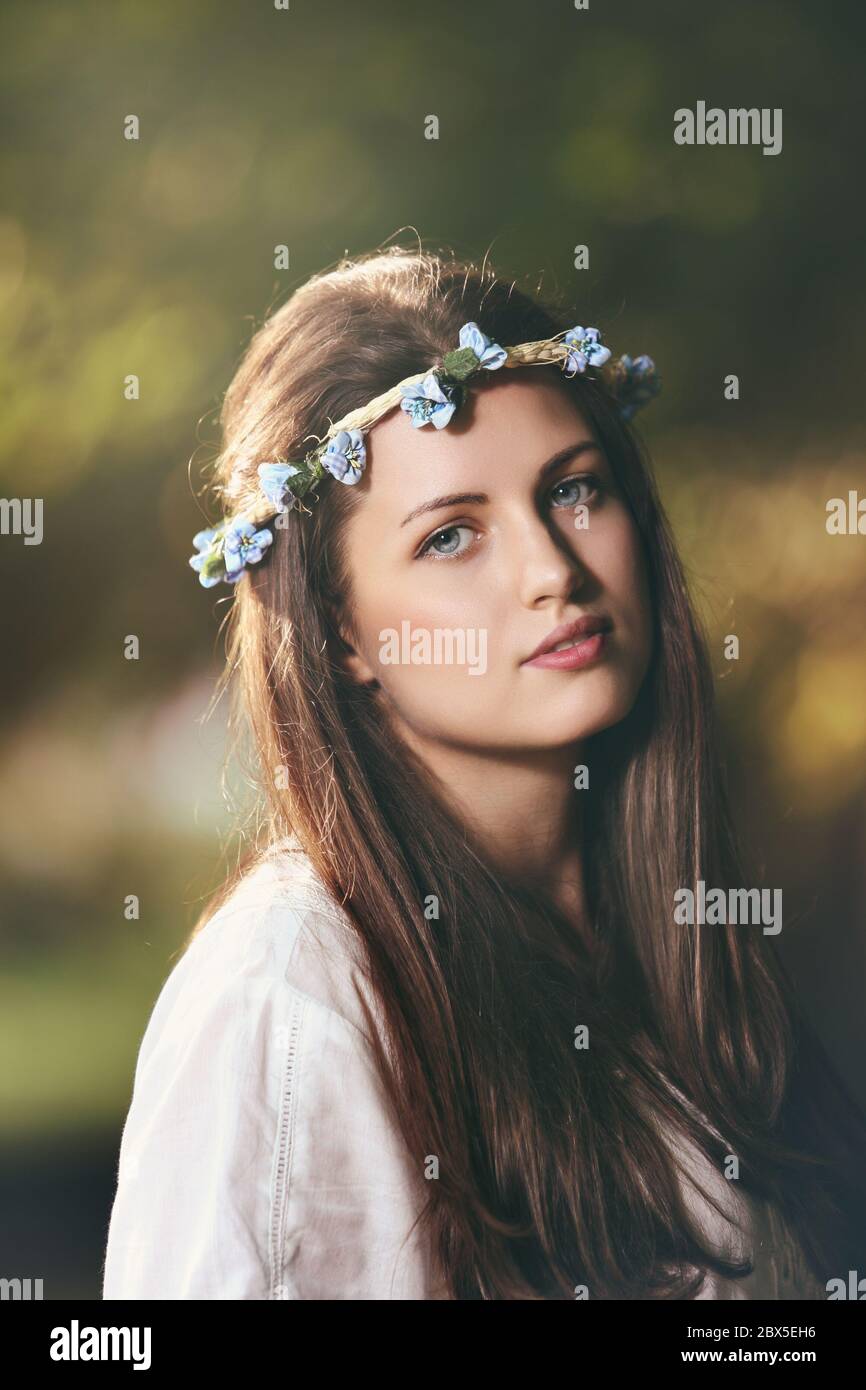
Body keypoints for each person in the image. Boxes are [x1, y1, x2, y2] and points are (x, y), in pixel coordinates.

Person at [103, 246, 865, 1300]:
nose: (553, 570)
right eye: (452, 534)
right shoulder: (293, 999)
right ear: (338, 636)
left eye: (574, 489)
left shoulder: (682, 942)